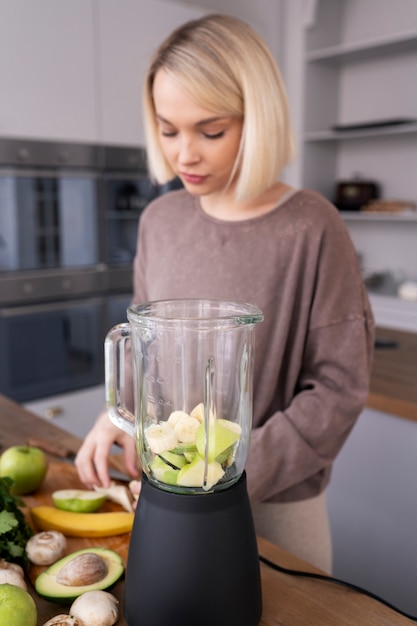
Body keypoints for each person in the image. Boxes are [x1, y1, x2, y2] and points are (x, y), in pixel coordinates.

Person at [75, 13, 374, 574]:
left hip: (277, 505)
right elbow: (146, 352)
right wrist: (113, 418)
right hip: (166, 494)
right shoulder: (160, 219)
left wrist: (227, 470)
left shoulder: (312, 226)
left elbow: (338, 389)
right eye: (168, 129)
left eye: (210, 131)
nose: (184, 154)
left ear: (257, 119)